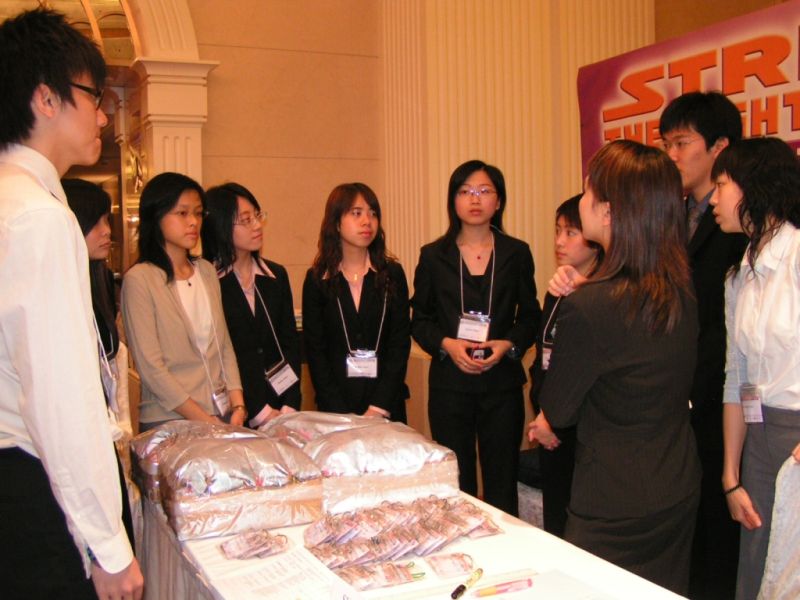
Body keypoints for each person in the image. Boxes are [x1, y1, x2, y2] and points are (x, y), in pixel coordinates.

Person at [0, 8, 142, 599]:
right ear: (46, 98)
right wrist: (108, 545)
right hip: (30, 483)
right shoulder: (39, 216)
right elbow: (59, 397)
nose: (104, 115)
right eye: (93, 96)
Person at [540, 140, 701, 594]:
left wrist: (571, 305)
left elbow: (558, 408)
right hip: (676, 481)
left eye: (588, 192)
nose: (582, 200)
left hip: (612, 499)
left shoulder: (590, 306)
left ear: (609, 212)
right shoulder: (679, 289)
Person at [411, 160, 540, 516]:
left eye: (485, 191)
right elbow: (419, 320)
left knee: (502, 480)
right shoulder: (433, 255)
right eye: (465, 191)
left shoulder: (516, 252)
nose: (475, 198)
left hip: (502, 385)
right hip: (450, 385)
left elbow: (531, 316)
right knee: (457, 482)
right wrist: (447, 344)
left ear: (499, 201)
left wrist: (508, 344)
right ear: (453, 200)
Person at [659, 91, 747, 600]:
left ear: (719, 147)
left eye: (682, 143)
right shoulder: (670, 215)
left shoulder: (739, 224)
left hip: (722, 399)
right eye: (666, 144)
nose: (672, 155)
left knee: (719, 536)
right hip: (674, 398)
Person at [709, 137, 800, 600]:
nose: (712, 199)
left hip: (796, 441)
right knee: (756, 571)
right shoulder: (737, 276)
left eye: (721, 185)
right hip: (757, 443)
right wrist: (731, 476)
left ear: (753, 186)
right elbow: (736, 378)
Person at [121, 172, 246, 431]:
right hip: (169, 419)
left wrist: (238, 404)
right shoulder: (140, 279)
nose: (193, 222)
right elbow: (152, 369)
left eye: (198, 213)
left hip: (220, 414)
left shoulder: (206, 271)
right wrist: (204, 421)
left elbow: (224, 345)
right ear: (157, 216)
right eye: (182, 213)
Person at [63, 178, 138, 545]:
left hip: (107, 436)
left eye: (107, 220)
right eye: (95, 222)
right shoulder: (60, 292)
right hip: (79, 445)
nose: (107, 231)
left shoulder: (100, 280)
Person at [302, 182, 410, 421]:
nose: (367, 221)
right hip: (336, 411)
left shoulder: (392, 274)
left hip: (386, 407)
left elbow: (399, 344)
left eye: (373, 213)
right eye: (356, 213)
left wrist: (378, 408)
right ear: (336, 223)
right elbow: (316, 352)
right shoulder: (317, 280)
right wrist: (341, 413)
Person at [527, 194, 602, 538]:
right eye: (557, 231)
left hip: (579, 430)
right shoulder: (556, 290)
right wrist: (543, 411)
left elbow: (588, 371)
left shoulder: (601, 297)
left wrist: (556, 419)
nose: (559, 241)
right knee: (554, 521)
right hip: (549, 421)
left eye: (571, 232)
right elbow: (543, 356)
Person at [203, 182, 301, 427]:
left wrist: (289, 407)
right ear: (222, 225)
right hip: (236, 413)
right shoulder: (209, 282)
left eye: (257, 216)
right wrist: (261, 412)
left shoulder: (275, 276)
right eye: (246, 220)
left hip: (282, 409)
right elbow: (225, 356)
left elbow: (289, 343)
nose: (257, 225)